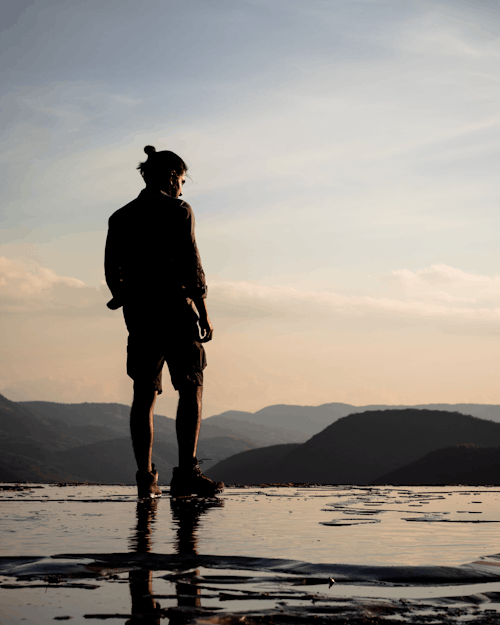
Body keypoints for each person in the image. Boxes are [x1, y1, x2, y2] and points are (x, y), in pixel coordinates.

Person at [105, 145, 224, 499]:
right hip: (175, 308)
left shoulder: (121, 216)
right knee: (190, 386)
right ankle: (187, 472)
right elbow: (192, 264)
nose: (183, 189)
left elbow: (113, 271)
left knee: (144, 393)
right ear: (172, 176)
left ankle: (146, 477)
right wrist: (203, 313)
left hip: (139, 313)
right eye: (182, 180)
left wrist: (123, 296)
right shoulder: (179, 211)